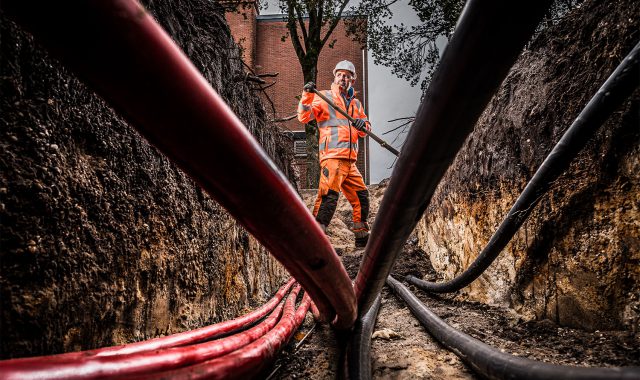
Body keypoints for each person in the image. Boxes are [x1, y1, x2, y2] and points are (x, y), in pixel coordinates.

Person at [297, 60, 371, 247]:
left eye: (347, 76)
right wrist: (306, 95)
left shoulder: (356, 104)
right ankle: (314, 238)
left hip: (349, 162)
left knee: (361, 197)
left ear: (352, 80)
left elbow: (365, 129)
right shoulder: (325, 98)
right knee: (328, 197)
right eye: (340, 75)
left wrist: (363, 125)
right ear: (335, 76)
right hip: (332, 158)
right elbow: (304, 117)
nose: (343, 78)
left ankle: (362, 238)